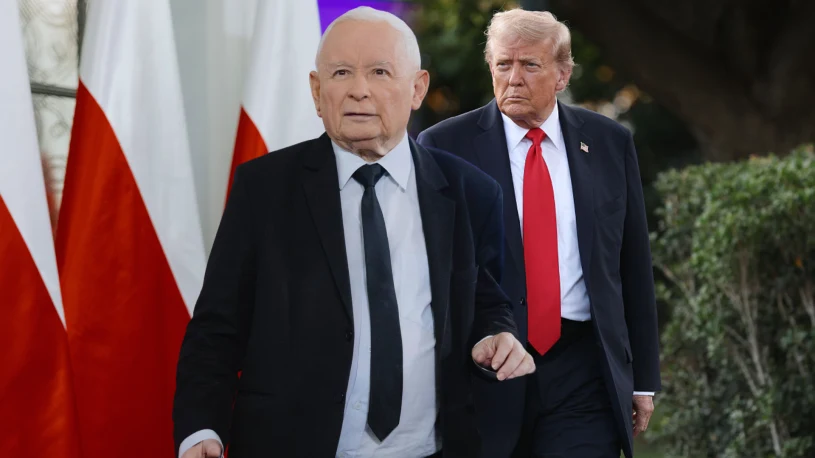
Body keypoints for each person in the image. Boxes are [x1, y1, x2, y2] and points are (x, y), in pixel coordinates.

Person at [172, 7, 535, 458]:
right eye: (341, 72)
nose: (358, 90)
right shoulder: (263, 190)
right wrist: (201, 428)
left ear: (417, 88)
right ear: (316, 90)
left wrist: (494, 336)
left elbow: (487, 302)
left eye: (380, 72)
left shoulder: (471, 192)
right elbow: (217, 328)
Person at [417, 8, 661, 458]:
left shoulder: (608, 142)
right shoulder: (443, 146)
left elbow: (631, 263)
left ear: (562, 75)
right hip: (487, 367)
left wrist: (643, 379)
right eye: (503, 65)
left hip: (583, 367)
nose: (514, 78)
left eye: (530, 65)